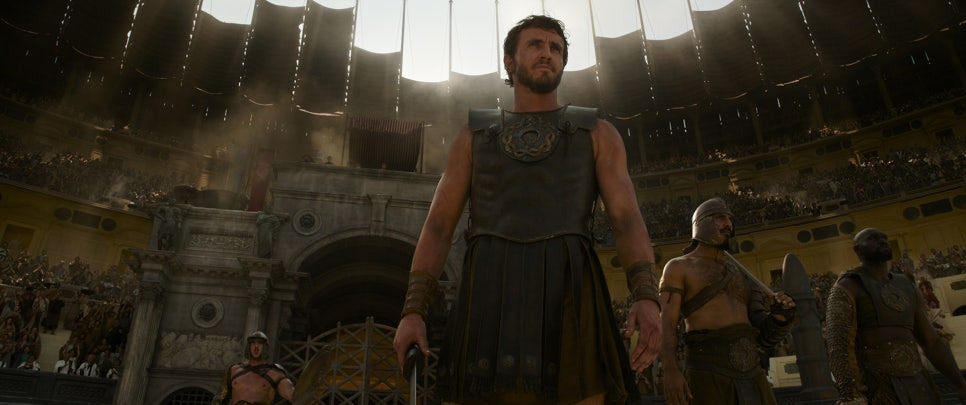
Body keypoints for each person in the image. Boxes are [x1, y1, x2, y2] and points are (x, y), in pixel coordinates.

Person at [392, 15, 661, 405]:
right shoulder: (473, 136)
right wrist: (412, 310)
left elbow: (626, 219)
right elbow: (438, 226)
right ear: (509, 61)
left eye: (556, 48)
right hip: (488, 291)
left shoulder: (598, 133)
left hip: (572, 288)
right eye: (535, 44)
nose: (547, 53)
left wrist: (647, 296)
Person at [658, 197, 796, 405]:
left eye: (730, 219)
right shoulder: (678, 267)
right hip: (707, 371)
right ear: (701, 223)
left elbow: (762, 335)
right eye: (720, 218)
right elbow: (666, 324)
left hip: (752, 371)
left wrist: (780, 317)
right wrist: (670, 370)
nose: (728, 224)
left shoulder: (742, 273)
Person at [824, 228, 966, 404]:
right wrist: (850, 395)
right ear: (857, 249)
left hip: (918, 382)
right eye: (873, 238)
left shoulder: (906, 284)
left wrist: (960, 384)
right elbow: (838, 344)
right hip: (876, 385)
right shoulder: (847, 286)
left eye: (884, 237)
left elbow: (931, 341)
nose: (882, 240)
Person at [215, 331, 295, 405]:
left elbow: (295, 398)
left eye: (260, 343)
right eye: (253, 343)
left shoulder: (275, 374)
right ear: (249, 346)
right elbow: (220, 399)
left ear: (265, 347)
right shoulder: (233, 370)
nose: (256, 346)